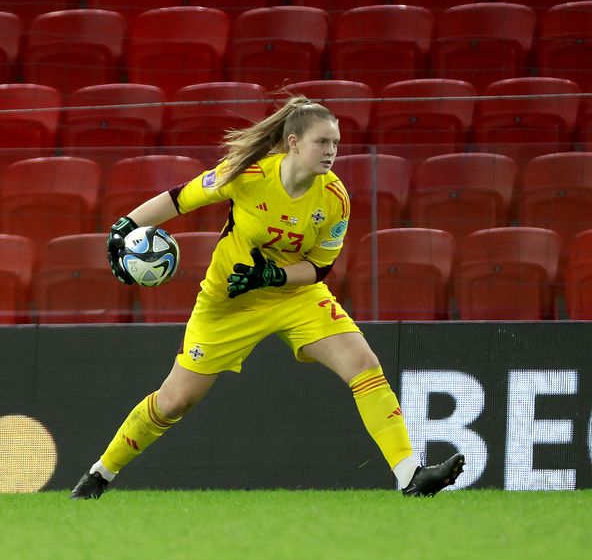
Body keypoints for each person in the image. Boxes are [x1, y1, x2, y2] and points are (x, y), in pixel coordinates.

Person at [71, 96, 465, 499]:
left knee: (364, 365)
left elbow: (319, 268)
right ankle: (100, 474)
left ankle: (410, 476)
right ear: (293, 142)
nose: (331, 152)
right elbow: (179, 198)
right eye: (321, 142)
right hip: (228, 303)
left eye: (335, 143)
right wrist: (126, 226)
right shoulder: (247, 173)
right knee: (174, 402)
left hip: (294, 295)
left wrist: (272, 275)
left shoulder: (335, 199)